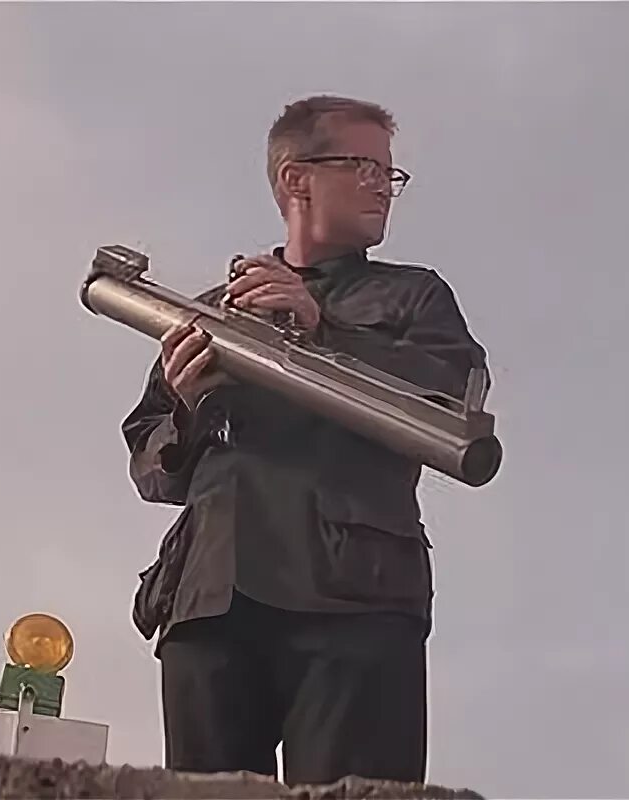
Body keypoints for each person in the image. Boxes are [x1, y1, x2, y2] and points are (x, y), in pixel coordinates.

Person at [121, 95, 492, 786]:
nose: (383, 186)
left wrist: (323, 330)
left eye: (389, 172)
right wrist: (186, 407)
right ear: (297, 179)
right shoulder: (214, 314)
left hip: (355, 601)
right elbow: (151, 466)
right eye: (365, 167)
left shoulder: (413, 298)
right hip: (209, 602)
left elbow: (452, 399)